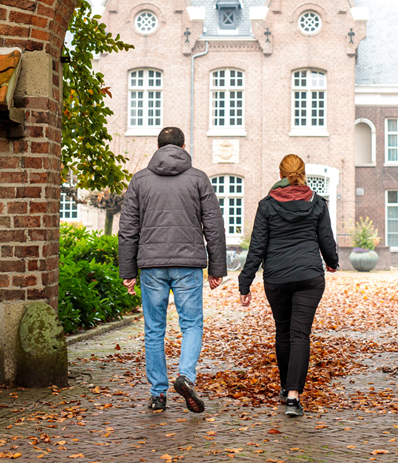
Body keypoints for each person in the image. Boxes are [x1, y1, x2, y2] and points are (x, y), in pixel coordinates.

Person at [119, 126, 227, 414]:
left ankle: (158, 394)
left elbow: (128, 229)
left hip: (151, 266)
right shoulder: (198, 179)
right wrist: (216, 268)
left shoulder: (140, 180)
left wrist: (128, 270)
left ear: (158, 147)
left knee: (154, 329)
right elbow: (214, 226)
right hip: (187, 264)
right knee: (191, 324)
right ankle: (186, 377)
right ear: (182, 147)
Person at [237, 154, 340, 417]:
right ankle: (293, 397)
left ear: (281, 173)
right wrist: (332, 262)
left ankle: (286, 388)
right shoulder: (317, 203)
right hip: (309, 277)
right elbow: (326, 239)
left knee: (283, 333)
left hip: (277, 277)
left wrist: (244, 282)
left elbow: (257, 247)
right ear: (303, 173)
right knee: (300, 334)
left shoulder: (267, 204)